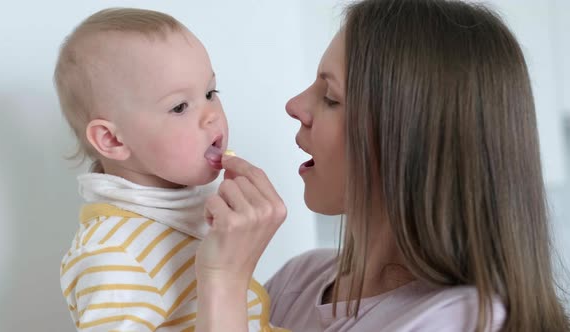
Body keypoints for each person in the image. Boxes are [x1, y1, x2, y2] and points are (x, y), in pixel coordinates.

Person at [193, 0, 570, 331]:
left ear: (412, 138)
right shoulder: (299, 281)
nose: (295, 106)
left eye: (331, 97)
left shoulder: (461, 319)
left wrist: (224, 283)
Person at [55, 8, 284, 331]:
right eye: (179, 107)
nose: (211, 116)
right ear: (111, 140)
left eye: (210, 93)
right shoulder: (112, 252)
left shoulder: (182, 215)